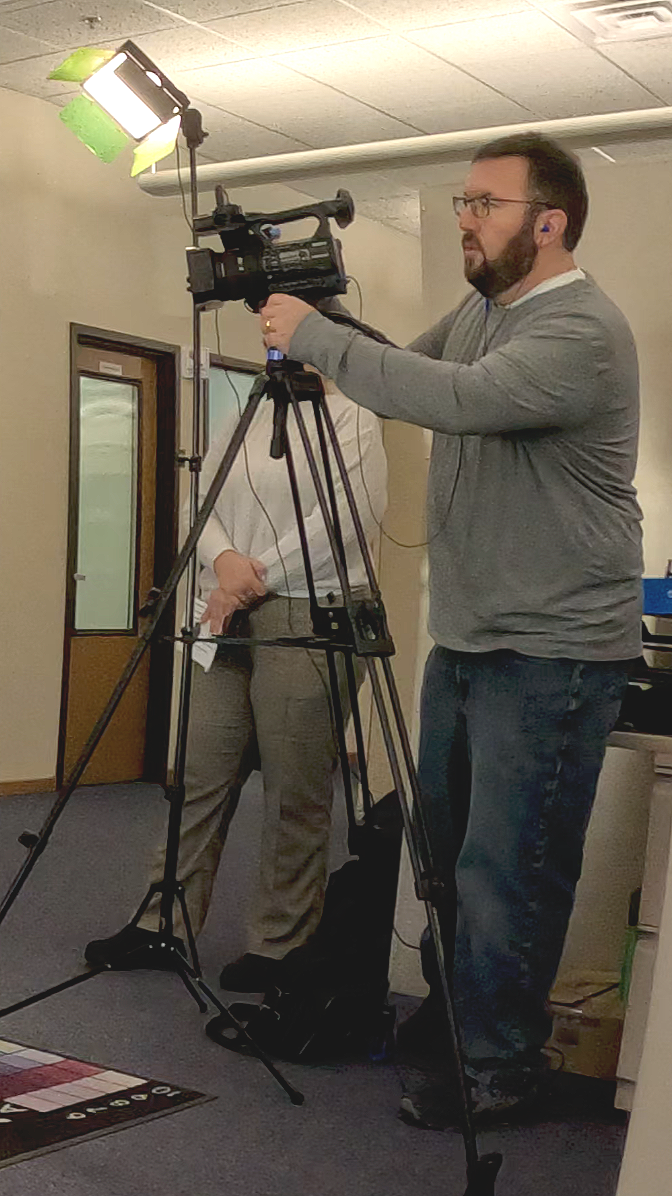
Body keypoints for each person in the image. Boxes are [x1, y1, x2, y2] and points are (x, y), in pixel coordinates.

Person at [258, 133, 643, 1124]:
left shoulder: (582, 330)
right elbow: (402, 370)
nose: (466, 217)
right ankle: (460, 1029)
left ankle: (500, 1066)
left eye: (485, 202)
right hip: (470, 641)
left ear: (547, 222)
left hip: (550, 653)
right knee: (447, 861)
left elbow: (454, 401)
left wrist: (315, 335)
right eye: (464, 199)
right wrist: (330, 338)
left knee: (510, 871)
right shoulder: (481, 311)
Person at [85, 376, 387, 994]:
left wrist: (248, 577)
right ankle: (163, 923)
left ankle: (280, 946)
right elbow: (207, 491)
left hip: (309, 608)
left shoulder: (355, 414)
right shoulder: (251, 411)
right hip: (224, 606)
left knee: (293, 787)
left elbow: (341, 523)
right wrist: (222, 563)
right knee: (199, 771)